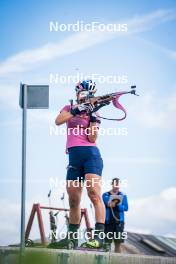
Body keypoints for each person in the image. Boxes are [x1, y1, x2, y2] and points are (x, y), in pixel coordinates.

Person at [50, 80, 109, 249]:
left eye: (86, 93)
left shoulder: (95, 113)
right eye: (80, 92)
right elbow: (58, 120)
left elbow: (92, 138)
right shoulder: (69, 108)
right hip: (74, 158)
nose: (82, 95)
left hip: (91, 155)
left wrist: (91, 115)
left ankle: (99, 238)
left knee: (94, 194)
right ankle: (72, 238)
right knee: (74, 200)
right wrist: (77, 109)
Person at [102, 178, 128, 253]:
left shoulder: (123, 195)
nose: (116, 186)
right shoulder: (105, 195)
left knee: (118, 243)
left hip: (119, 222)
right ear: (112, 184)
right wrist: (110, 204)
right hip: (108, 221)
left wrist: (117, 206)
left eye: (118, 185)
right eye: (115, 184)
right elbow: (106, 203)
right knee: (107, 242)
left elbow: (126, 208)